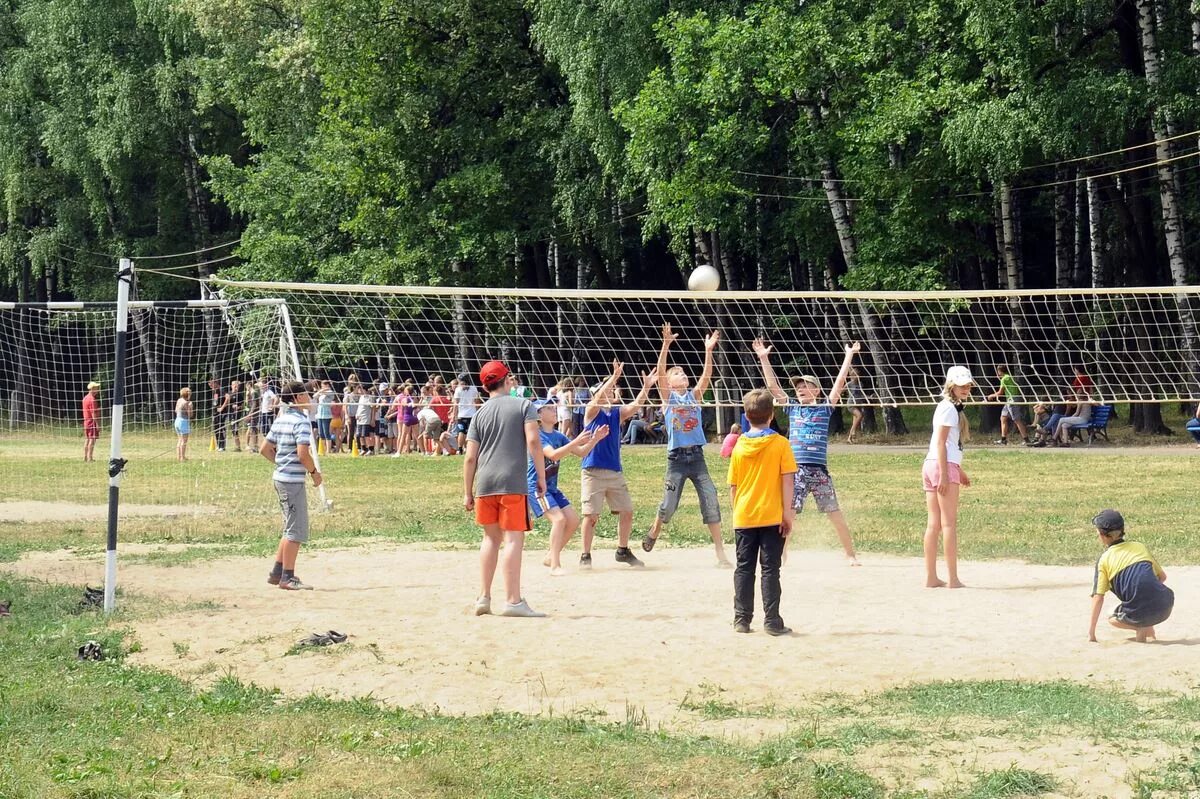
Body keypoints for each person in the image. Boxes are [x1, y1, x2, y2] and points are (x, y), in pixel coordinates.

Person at [753, 337, 862, 566]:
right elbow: (773, 387)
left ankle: (850, 554)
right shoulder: (792, 408)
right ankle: (781, 556)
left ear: (817, 390)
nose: (801, 389)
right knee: (788, 516)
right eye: (798, 387)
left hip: (819, 471)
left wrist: (849, 354)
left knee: (835, 514)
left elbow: (840, 382)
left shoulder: (825, 407)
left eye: (806, 386)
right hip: (796, 471)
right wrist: (764, 358)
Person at [641, 324, 729, 566]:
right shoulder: (668, 398)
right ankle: (656, 528)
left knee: (710, 500)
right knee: (669, 506)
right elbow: (660, 374)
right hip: (677, 460)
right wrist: (666, 345)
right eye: (677, 373)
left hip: (697, 458)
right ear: (669, 383)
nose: (683, 375)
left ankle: (720, 552)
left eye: (683, 373)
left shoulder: (694, 396)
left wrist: (708, 351)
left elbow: (707, 376)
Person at [464, 360, 547, 617]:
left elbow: (469, 457)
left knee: (490, 539)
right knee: (513, 539)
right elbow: (533, 441)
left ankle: (484, 597)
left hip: (485, 483)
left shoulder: (479, 414)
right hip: (512, 481)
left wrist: (468, 492)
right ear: (507, 379)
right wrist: (541, 476)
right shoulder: (524, 405)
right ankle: (513, 601)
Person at [728, 389, 798, 635]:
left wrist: (736, 513)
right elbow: (788, 481)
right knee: (770, 569)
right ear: (772, 415)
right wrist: (788, 513)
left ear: (746, 417)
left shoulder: (738, 446)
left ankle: (742, 620)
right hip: (772, 516)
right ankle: (771, 621)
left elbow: (733, 486)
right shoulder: (780, 443)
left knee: (744, 568)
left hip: (744, 516)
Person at [579, 359, 659, 568]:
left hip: (614, 470)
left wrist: (647, 386)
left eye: (613, 388)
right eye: (609, 389)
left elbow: (636, 406)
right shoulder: (591, 411)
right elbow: (596, 399)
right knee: (591, 515)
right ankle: (585, 555)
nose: (612, 391)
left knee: (627, 510)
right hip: (592, 470)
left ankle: (622, 551)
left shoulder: (616, 413)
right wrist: (613, 377)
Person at [530, 399, 608, 575]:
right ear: (539, 415)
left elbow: (581, 452)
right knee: (559, 520)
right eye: (549, 408)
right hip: (537, 486)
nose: (554, 410)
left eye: (554, 407)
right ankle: (555, 566)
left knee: (572, 521)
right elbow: (554, 454)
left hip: (551, 487)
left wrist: (595, 439)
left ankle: (551, 555)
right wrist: (577, 440)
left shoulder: (558, 435)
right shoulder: (538, 436)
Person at [261, 381, 323, 591]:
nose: (309, 396)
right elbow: (302, 453)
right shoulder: (301, 422)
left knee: (290, 526)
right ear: (297, 398)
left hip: (281, 478)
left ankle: (277, 572)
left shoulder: (281, 420)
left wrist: (281, 463)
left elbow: (264, 449)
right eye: (306, 394)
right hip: (291, 481)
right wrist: (314, 473)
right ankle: (288, 577)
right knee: (296, 530)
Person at [1088, 509, 1173, 643]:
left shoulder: (1104, 560)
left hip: (1145, 611)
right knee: (1143, 603)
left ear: (1104, 536)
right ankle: (1148, 633)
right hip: (1166, 604)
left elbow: (1098, 598)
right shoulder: (1139, 547)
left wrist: (1091, 634)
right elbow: (1162, 577)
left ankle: (1142, 629)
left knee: (1111, 616)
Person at [923, 366, 974, 588]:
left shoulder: (948, 407)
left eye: (968, 385)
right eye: (961, 385)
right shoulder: (949, 409)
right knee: (948, 524)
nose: (966, 389)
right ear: (951, 385)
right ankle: (953, 579)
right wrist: (945, 475)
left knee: (935, 524)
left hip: (933, 464)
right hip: (940, 466)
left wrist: (958, 471)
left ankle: (932, 578)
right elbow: (941, 442)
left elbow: (949, 444)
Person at [986, 365, 1029, 445]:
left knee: (1017, 420)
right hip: (1010, 400)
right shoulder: (1010, 377)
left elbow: (1000, 392)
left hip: (1012, 400)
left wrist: (991, 395)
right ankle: (1003, 440)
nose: (997, 373)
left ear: (999, 371)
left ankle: (1027, 440)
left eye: (998, 371)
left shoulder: (1004, 379)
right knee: (1003, 417)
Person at [451, 373, 481, 453]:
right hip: (472, 414)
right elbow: (477, 401)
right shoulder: (473, 388)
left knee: (461, 432)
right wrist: (478, 412)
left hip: (462, 415)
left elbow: (456, 404)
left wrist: (454, 415)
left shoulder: (458, 389)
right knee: (471, 432)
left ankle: (460, 449)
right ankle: (470, 449)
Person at [845, 367, 866, 444]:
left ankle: (851, 438)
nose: (856, 377)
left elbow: (861, 394)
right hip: (851, 404)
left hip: (858, 403)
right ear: (851, 376)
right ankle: (851, 433)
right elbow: (841, 390)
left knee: (856, 421)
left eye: (857, 375)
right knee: (860, 415)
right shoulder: (849, 384)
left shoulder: (860, 384)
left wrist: (868, 397)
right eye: (854, 375)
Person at [314, 380, 336, 453]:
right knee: (321, 433)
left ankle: (328, 450)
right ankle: (322, 449)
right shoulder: (322, 392)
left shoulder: (330, 392)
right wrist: (321, 390)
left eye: (323, 385)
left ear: (327, 385)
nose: (321, 387)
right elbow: (314, 396)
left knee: (326, 432)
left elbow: (325, 392)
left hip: (326, 414)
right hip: (320, 414)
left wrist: (323, 390)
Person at [257, 376, 278, 449]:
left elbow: (276, 398)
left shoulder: (269, 392)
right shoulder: (263, 392)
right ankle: (268, 444)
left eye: (262, 385)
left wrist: (272, 406)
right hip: (263, 412)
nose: (261, 386)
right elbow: (256, 384)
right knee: (263, 430)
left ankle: (273, 446)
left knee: (269, 429)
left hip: (269, 413)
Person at [82, 381, 101, 462]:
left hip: (86, 421)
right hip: (91, 422)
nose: (98, 390)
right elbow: (93, 413)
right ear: (92, 389)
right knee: (92, 440)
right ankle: (90, 458)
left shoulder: (85, 398)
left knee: (87, 439)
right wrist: (97, 424)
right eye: (96, 388)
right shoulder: (92, 400)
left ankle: (85, 457)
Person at [208, 377, 228, 452]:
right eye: (209, 384)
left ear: (216, 383)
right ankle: (219, 445)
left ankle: (222, 446)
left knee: (221, 428)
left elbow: (228, 397)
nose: (210, 386)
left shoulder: (221, 389)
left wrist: (222, 408)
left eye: (211, 384)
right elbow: (215, 401)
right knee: (216, 428)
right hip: (215, 413)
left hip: (221, 413)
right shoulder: (214, 391)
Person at [175, 387, 193, 462]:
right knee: (184, 441)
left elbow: (176, 410)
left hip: (177, 420)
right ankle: (182, 457)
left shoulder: (179, 400)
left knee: (179, 440)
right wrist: (191, 407)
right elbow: (190, 415)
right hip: (183, 422)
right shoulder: (187, 403)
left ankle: (179, 457)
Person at [227, 380, 243, 452]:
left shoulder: (240, 395)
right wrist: (231, 406)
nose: (236, 387)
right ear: (232, 386)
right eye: (235, 386)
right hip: (230, 414)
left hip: (237, 415)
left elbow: (242, 405)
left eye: (237, 386)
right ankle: (237, 446)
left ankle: (238, 446)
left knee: (235, 429)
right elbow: (226, 404)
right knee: (233, 430)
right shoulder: (229, 394)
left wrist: (238, 407)